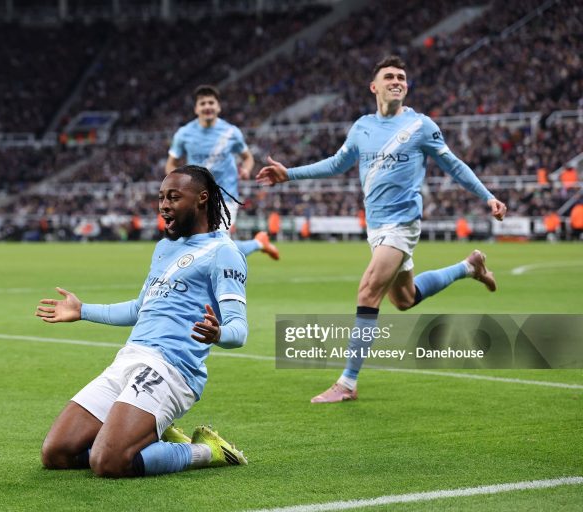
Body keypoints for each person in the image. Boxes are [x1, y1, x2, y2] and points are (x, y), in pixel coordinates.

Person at [257, 55, 508, 404]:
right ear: (374, 86)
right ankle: (470, 266)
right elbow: (337, 163)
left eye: (402, 77)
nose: (396, 81)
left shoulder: (421, 126)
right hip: (376, 228)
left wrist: (488, 196)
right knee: (404, 299)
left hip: (402, 224)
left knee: (367, 292)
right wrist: (290, 173)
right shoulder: (362, 127)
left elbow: (453, 164)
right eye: (389, 76)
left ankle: (347, 383)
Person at [36, 165, 248, 477]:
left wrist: (218, 333)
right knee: (56, 453)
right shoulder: (165, 247)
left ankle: (208, 450)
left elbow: (238, 330)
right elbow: (139, 308)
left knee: (108, 462)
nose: (164, 205)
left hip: (171, 370)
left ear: (202, 199)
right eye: (161, 197)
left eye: (174, 197)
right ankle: (148, 436)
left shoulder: (223, 252)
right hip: (129, 360)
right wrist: (82, 311)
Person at [166, 84, 279, 260]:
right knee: (205, 245)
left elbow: (248, 157)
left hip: (225, 195)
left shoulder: (231, 132)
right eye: (202, 103)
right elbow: (171, 163)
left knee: (213, 244)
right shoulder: (184, 134)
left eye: (211, 102)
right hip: (195, 197)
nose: (207, 106)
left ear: (218, 107)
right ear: (196, 109)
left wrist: (246, 170)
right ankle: (258, 243)